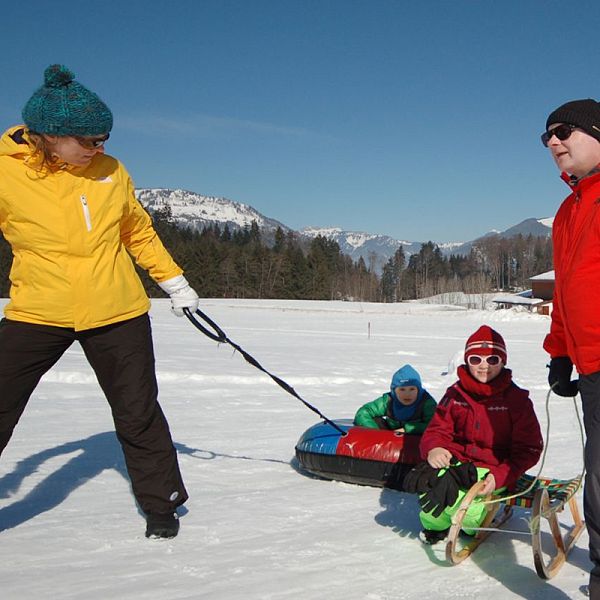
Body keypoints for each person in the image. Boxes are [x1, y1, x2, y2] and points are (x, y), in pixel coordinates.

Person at [0, 65, 200, 539]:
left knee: (138, 411)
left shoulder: (111, 172)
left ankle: (162, 506)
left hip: (117, 311)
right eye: (90, 140)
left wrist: (174, 283)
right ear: (50, 136)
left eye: (104, 137)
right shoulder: (6, 173)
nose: (100, 148)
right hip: (39, 310)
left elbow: (137, 231)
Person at [541, 99, 600, 597]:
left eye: (563, 132)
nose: (553, 143)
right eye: (547, 138)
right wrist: (560, 352)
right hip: (591, 364)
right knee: (598, 461)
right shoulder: (568, 210)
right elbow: (565, 291)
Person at [411, 325, 543, 544]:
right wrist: (434, 448)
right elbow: (437, 430)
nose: (484, 366)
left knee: (469, 516)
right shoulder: (455, 394)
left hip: (493, 469)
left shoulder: (517, 401)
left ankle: (471, 527)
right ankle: (435, 529)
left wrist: (499, 477)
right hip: (457, 464)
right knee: (431, 502)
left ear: (503, 361)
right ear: (467, 361)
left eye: (492, 360)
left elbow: (529, 449)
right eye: (476, 360)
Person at [353, 364, 436, 433]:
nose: (407, 394)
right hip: (391, 436)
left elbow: (435, 425)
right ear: (394, 391)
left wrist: (407, 429)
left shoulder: (427, 403)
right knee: (373, 420)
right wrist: (375, 433)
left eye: (412, 389)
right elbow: (364, 412)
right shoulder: (388, 401)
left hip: (417, 439)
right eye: (402, 389)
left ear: (419, 390)